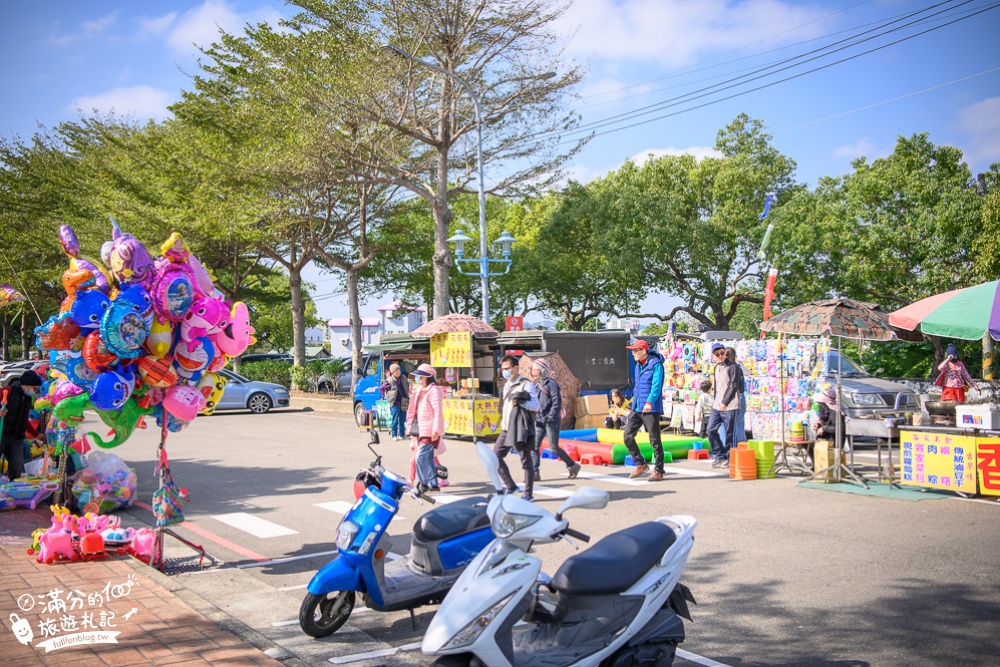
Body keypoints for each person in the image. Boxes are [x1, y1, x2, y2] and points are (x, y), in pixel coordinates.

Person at [494, 354, 539, 501]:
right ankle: (511, 486)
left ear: (516, 368)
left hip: (520, 428)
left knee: (526, 461)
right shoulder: (507, 383)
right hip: (507, 428)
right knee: (495, 457)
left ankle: (528, 494)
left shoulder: (526, 384)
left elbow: (536, 405)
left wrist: (521, 403)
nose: (505, 371)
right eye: (503, 369)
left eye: (507, 368)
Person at [530, 358, 581, 481]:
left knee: (554, 448)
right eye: (532, 369)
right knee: (534, 446)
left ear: (542, 370)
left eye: (536, 369)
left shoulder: (551, 384)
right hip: (539, 419)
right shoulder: (535, 385)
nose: (533, 372)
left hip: (551, 420)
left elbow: (557, 403)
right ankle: (535, 472)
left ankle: (572, 465)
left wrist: (550, 416)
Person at [622, 340, 666, 482]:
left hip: (650, 408)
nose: (633, 353)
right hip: (637, 406)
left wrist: (649, 401)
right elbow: (638, 387)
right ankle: (640, 464)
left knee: (655, 440)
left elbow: (656, 386)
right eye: (632, 351)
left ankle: (659, 470)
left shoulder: (656, 365)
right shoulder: (638, 365)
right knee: (627, 436)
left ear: (643, 351)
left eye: (635, 351)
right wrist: (632, 403)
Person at [405, 363, 444, 493]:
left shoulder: (434, 390)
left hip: (429, 430)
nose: (417, 378)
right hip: (420, 430)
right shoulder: (420, 390)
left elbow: (437, 410)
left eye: (420, 376)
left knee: (420, 457)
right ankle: (433, 484)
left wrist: (436, 430)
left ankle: (423, 483)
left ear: (427, 377)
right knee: (428, 458)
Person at [0, 370, 44, 481]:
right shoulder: (8, 391)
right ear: (27, 385)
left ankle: (13, 491)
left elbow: (24, 420)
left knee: (17, 466)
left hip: (16, 438)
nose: (35, 391)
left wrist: (36, 435)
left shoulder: (27, 399)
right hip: (2, 435)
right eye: (34, 388)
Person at [707, 343, 740, 467]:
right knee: (710, 429)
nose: (720, 356)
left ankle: (729, 457)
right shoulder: (716, 367)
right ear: (713, 356)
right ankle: (719, 454)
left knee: (729, 433)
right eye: (717, 354)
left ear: (725, 353)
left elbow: (734, 385)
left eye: (722, 353)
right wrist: (717, 401)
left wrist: (725, 402)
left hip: (730, 405)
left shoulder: (732, 366)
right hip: (717, 405)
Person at [379, 363, 409, 440]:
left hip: (404, 402)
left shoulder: (404, 378)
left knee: (402, 420)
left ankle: (401, 434)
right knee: (395, 420)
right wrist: (387, 396)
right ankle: (394, 435)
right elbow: (381, 388)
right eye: (397, 370)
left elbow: (408, 387)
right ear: (393, 372)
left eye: (399, 370)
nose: (399, 372)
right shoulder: (389, 380)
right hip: (395, 403)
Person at [726, 347, 748, 445]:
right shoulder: (739, 367)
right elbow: (749, 372)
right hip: (742, 396)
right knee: (740, 423)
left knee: (732, 424)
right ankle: (742, 446)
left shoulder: (729, 368)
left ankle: (733, 447)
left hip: (733, 397)